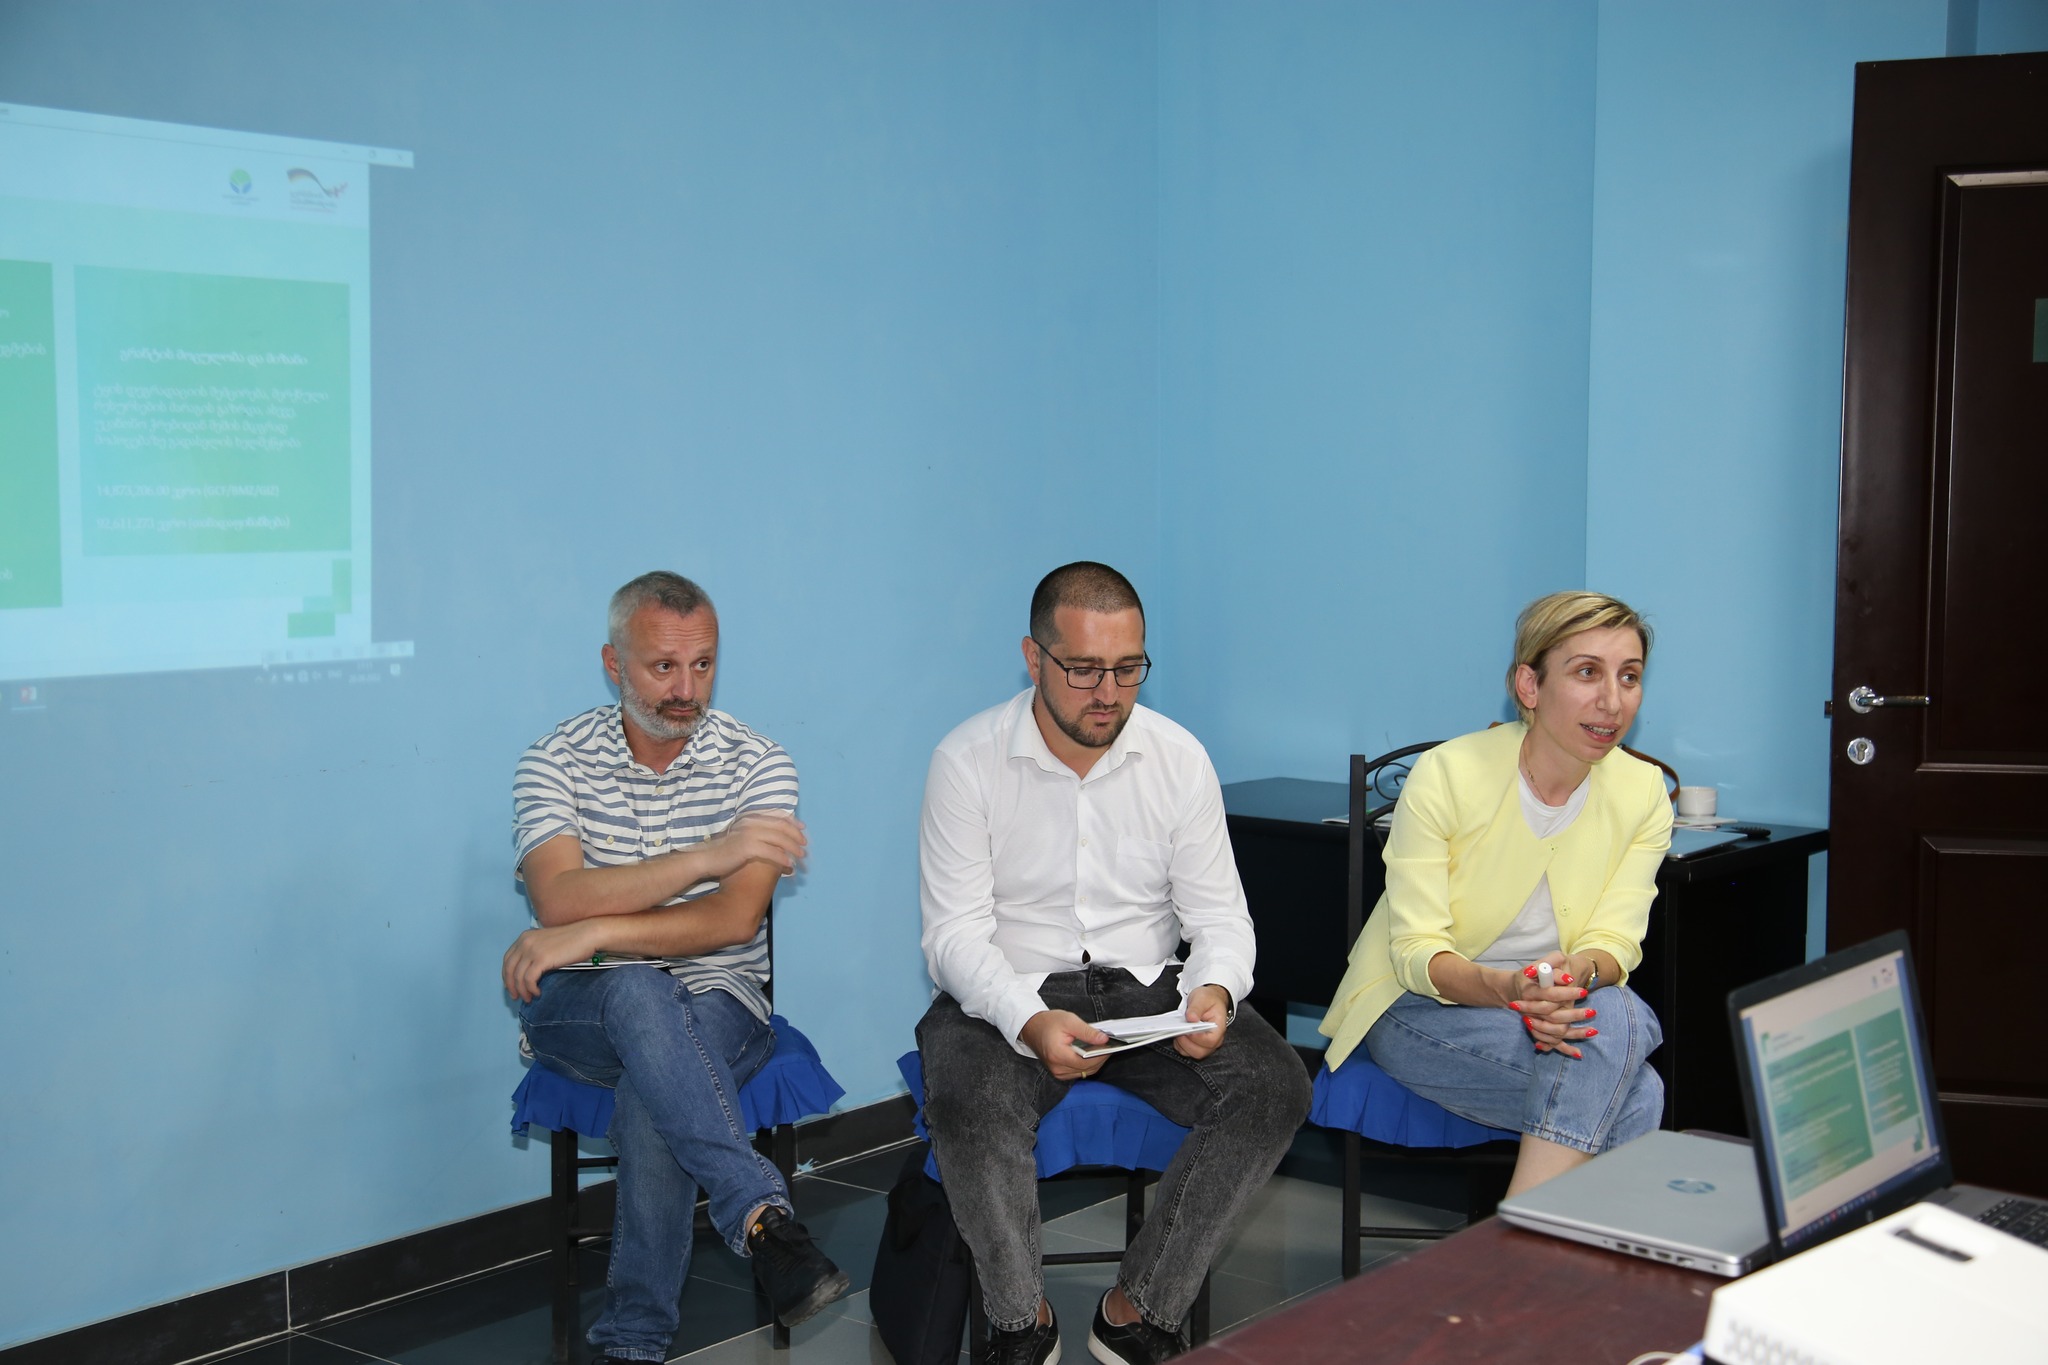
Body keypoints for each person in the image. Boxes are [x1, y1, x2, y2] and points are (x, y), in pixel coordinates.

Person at [918, 562, 1312, 1365]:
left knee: (1276, 1085)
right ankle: (1020, 1321)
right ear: (1033, 657)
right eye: (1084, 669)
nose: (1109, 692)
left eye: (1129, 668)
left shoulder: (1177, 757)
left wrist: (1213, 988)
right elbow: (953, 936)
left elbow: (1220, 917)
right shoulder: (967, 759)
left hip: (1150, 991)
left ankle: (1140, 1310)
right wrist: (1029, 1019)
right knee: (969, 1101)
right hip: (1010, 988)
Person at [500, 571, 847, 1365]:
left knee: (654, 1079)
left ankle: (633, 1342)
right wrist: (707, 855)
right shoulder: (552, 759)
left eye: (703, 664)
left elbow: (730, 921)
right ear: (613, 663)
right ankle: (763, 1218)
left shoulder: (760, 763)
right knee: (634, 991)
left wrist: (591, 931)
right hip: (579, 1006)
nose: (687, 688)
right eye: (663, 666)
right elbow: (557, 895)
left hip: (722, 995)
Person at [1318, 590, 1672, 1196]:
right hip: (1422, 1008)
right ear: (1529, 686)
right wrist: (1512, 990)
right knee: (1636, 1084)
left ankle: (1527, 1233)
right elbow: (1417, 953)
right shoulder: (1448, 774)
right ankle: (1541, 1233)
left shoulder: (1643, 793)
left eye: (1629, 676)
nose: (1613, 702)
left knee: (1618, 1019)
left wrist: (1571, 978)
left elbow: (1615, 942)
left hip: (1558, 1009)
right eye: (1587, 672)